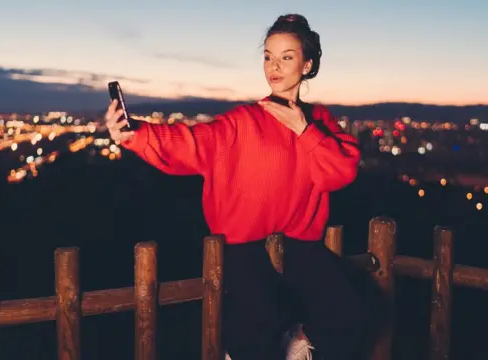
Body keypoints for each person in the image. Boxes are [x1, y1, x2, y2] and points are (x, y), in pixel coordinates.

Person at [106, 13, 370, 360]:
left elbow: (340, 171)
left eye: (286, 57)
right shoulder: (244, 121)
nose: (274, 66)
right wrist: (135, 133)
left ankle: (298, 340)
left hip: (299, 240)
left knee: (347, 310)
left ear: (307, 65)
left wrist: (305, 130)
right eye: (268, 56)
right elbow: (193, 142)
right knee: (257, 323)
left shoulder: (319, 120)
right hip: (241, 241)